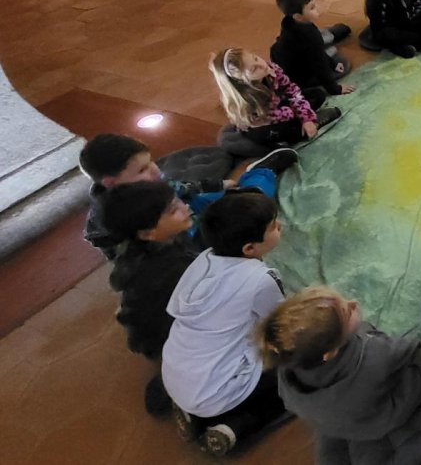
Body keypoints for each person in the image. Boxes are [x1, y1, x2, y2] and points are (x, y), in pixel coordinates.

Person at [259, 285, 421, 463]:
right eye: (347, 311)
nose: (353, 302)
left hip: (332, 419)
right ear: (330, 352)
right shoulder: (373, 354)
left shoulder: (287, 369)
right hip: (381, 417)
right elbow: (409, 350)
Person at [161, 191, 290, 456]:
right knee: (298, 380)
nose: (281, 226)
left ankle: (195, 415)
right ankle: (234, 427)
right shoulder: (259, 278)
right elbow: (280, 322)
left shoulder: (205, 258)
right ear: (249, 249)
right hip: (215, 390)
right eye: (273, 226)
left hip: (175, 375)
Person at [78, 133, 296, 258]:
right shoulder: (115, 225)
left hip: (189, 208)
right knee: (240, 226)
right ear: (110, 183)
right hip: (187, 235)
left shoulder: (151, 182)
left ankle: (261, 175)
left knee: (246, 202)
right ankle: (256, 184)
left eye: (150, 161)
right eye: (142, 170)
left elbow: (180, 187)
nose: (156, 171)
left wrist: (218, 185)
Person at [99, 180, 202, 416]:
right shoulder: (168, 270)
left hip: (159, 332)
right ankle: (177, 387)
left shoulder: (155, 244)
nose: (185, 207)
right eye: (174, 210)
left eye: (178, 202)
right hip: (168, 341)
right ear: (147, 233)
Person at [210, 47, 341, 147]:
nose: (262, 65)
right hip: (263, 124)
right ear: (241, 81)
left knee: (317, 95)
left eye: (256, 58)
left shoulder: (271, 69)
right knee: (289, 131)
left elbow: (292, 91)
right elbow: (270, 116)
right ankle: (306, 128)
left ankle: (305, 123)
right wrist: (295, 113)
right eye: (254, 69)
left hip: (279, 107)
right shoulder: (249, 98)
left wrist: (306, 117)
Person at [270, 0, 355, 96]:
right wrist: (335, 89)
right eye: (312, 8)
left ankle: (332, 35)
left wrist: (331, 63)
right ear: (298, 16)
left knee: (333, 37)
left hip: (286, 63)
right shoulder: (310, 36)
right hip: (301, 76)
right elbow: (319, 64)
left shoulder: (288, 22)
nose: (317, 8)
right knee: (331, 52)